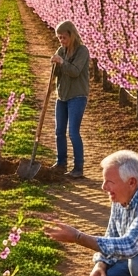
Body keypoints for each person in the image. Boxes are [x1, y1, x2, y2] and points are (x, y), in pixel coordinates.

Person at [50, 20, 89, 178]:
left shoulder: (82, 51)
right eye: (59, 38)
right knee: (59, 131)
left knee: (73, 132)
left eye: (64, 37)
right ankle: (61, 162)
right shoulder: (61, 50)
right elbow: (57, 74)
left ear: (72, 35)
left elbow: (75, 71)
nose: (62, 41)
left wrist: (62, 62)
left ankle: (78, 167)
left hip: (77, 96)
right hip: (62, 95)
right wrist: (54, 66)